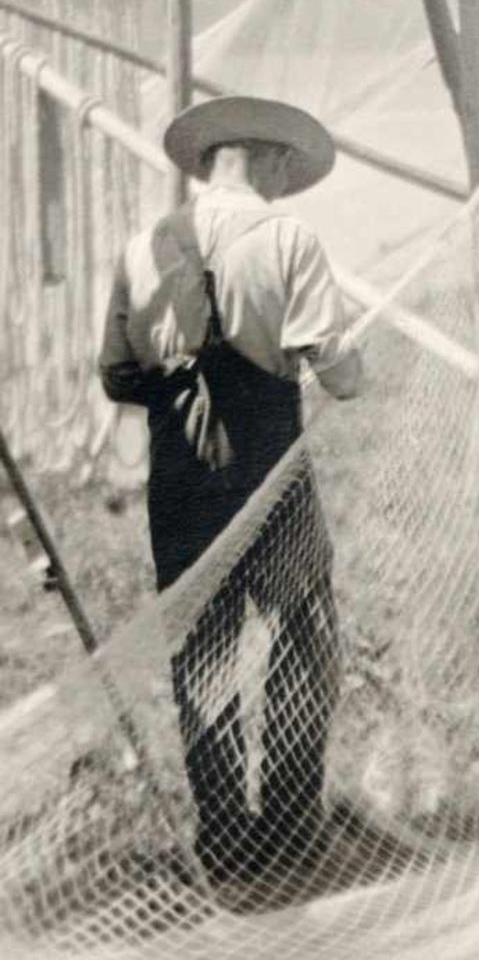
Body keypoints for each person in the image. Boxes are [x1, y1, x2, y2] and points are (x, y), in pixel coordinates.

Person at [98, 95, 363, 884]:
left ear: (212, 159)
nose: (288, 182)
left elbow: (116, 372)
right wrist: (347, 358)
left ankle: (226, 840)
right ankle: (289, 833)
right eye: (288, 168)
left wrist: (183, 382)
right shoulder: (288, 237)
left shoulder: (144, 245)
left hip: (180, 474)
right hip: (269, 467)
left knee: (202, 646)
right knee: (301, 635)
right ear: (268, 158)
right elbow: (341, 377)